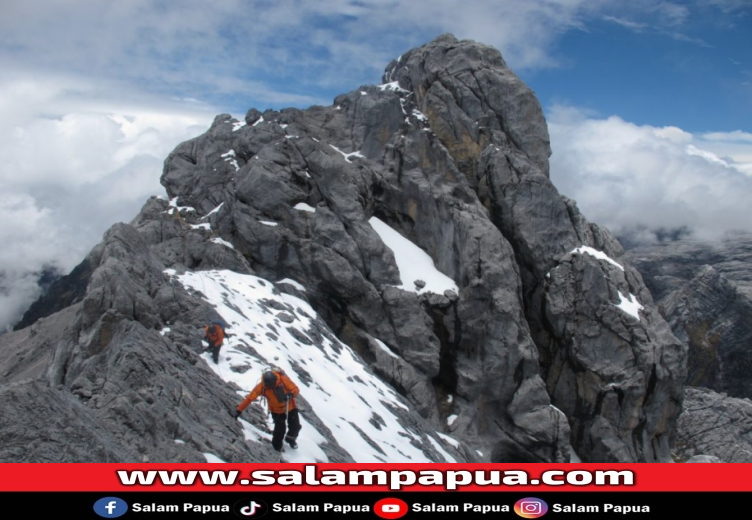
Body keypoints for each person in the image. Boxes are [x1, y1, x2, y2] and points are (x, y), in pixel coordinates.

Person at [235, 368, 301, 452]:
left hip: (290, 407)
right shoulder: (261, 387)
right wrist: (239, 410)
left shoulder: (283, 379)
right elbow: (250, 398)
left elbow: (295, 389)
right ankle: (276, 447)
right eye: (269, 385)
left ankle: (290, 439)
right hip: (276, 411)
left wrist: (291, 394)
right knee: (280, 430)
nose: (270, 387)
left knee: (295, 426)